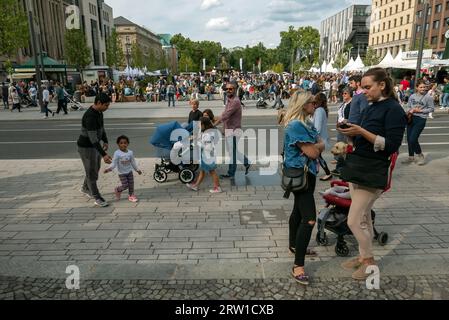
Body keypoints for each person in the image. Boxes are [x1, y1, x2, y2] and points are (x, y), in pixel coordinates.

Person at [337, 68, 406, 281]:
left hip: (373, 170)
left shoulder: (394, 109)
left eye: (367, 87)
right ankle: (363, 255)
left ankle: (369, 263)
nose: (363, 91)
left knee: (354, 221)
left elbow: (391, 145)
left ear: (382, 85)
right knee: (364, 218)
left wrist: (360, 132)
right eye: (362, 87)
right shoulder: (371, 106)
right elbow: (365, 139)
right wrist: (351, 135)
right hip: (359, 166)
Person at [283, 92, 325, 286]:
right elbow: (314, 151)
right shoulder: (296, 126)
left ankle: (294, 245)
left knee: (297, 212)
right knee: (309, 219)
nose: (315, 105)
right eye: (311, 102)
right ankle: (298, 265)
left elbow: (320, 144)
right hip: (301, 174)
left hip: (307, 174)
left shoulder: (306, 123)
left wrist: (318, 145)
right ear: (302, 104)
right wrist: (318, 145)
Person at [77, 93, 113, 208]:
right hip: (86, 147)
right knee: (92, 172)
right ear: (98, 103)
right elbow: (93, 139)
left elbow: (102, 128)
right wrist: (104, 155)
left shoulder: (99, 112)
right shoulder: (90, 117)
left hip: (94, 146)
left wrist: (105, 141)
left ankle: (85, 187)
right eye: (106, 105)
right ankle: (97, 197)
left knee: (94, 169)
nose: (107, 108)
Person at [215, 81, 251, 178]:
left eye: (230, 89)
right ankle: (247, 162)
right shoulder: (229, 99)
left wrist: (214, 124)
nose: (228, 90)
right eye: (226, 89)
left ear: (235, 90)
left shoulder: (235, 101)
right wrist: (223, 128)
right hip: (229, 129)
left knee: (232, 153)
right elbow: (225, 114)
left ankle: (231, 173)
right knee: (232, 151)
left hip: (234, 130)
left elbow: (226, 116)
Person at [402, 79, 435, 166]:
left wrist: (421, 111)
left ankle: (420, 155)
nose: (423, 89)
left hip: (421, 119)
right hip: (411, 118)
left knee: (413, 139)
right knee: (409, 139)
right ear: (416, 87)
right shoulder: (412, 96)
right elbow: (408, 106)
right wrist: (411, 110)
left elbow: (431, 108)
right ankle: (411, 157)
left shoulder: (428, 97)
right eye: (421, 87)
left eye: (424, 87)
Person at [186, 117, 222, 193]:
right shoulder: (208, 132)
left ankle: (218, 188)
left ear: (204, 125)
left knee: (212, 171)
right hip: (207, 155)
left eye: (200, 124)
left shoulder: (207, 134)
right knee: (202, 171)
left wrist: (198, 144)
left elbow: (208, 147)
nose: (199, 126)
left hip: (208, 156)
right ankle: (196, 185)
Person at [104, 135, 142, 203]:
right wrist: (108, 169)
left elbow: (133, 162)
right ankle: (118, 189)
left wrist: (137, 170)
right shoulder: (117, 153)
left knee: (131, 184)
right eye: (121, 143)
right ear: (118, 144)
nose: (123, 144)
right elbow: (114, 163)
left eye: (125, 143)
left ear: (128, 143)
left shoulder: (130, 152)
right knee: (125, 186)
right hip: (121, 173)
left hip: (129, 172)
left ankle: (131, 196)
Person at [312, 93, 332, 181]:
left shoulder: (319, 110)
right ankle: (317, 171)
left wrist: (313, 136)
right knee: (317, 156)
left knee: (317, 156)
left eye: (315, 99)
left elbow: (317, 127)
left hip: (319, 139)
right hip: (320, 138)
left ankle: (328, 173)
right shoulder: (321, 110)